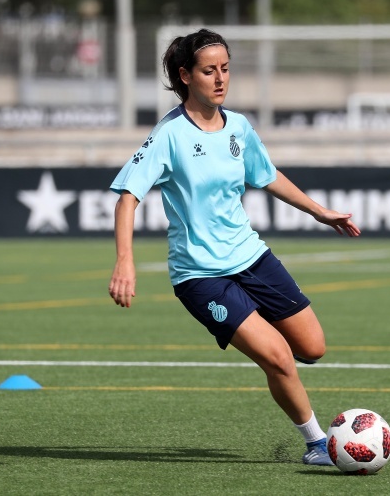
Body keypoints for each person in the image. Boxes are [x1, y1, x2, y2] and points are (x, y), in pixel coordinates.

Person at [108, 28, 360, 466]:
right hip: (201, 276)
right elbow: (127, 197)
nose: (220, 79)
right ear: (186, 76)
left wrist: (319, 211)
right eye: (209, 71)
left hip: (251, 257)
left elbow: (267, 175)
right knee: (279, 357)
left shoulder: (239, 126)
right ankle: (318, 444)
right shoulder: (169, 134)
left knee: (313, 347)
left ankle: (273, 354)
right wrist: (125, 261)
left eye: (225, 69)